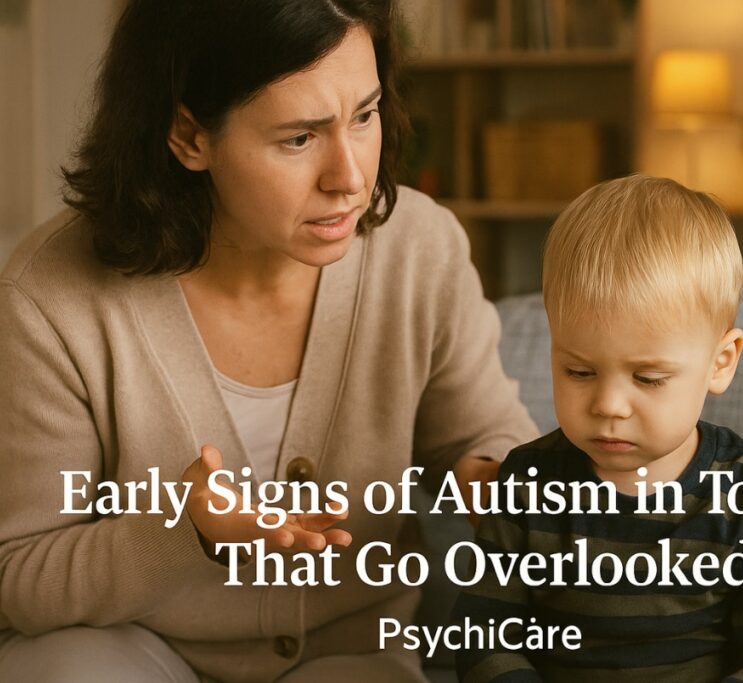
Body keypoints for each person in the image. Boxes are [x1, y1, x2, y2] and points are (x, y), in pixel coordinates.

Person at [0, 1, 537, 681]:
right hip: (132, 646)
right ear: (188, 134)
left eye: (364, 115)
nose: (350, 177)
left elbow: (485, 438)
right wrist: (182, 531)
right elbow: (17, 571)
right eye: (299, 138)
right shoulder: (51, 294)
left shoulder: (419, 249)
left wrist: (490, 474)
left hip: (350, 652)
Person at [453, 175, 743, 681]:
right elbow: (481, 640)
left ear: (721, 362)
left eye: (648, 378)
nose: (608, 405)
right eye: (579, 371)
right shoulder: (527, 481)